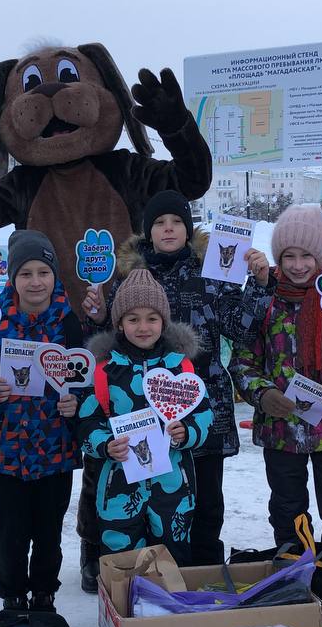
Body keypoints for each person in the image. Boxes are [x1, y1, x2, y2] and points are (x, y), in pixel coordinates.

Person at [82, 189, 271, 575]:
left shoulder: (215, 271)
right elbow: (114, 338)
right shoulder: (128, 278)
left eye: (176, 222)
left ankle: (201, 577)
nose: (168, 230)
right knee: (143, 499)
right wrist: (98, 315)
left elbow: (242, 328)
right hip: (141, 420)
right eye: (159, 223)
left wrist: (260, 284)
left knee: (205, 504)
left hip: (204, 411)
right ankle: (141, 577)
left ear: (188, 229)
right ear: (147, 232)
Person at [231, 205, 322, 557]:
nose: (298, 265)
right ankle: (295, 572)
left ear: (320, 256)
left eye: (306, 256)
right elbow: (242, 360)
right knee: (287, 512)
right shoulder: (265, 298)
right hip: (281, 431)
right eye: (289, 256)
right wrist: (263, 395)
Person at [0, 231, 83, 612]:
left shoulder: (69, 323)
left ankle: (45, 594)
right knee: (10, 532)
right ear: (12, 278)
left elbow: (88, 376)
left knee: (49, 532)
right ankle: (12, 598)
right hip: (5, 448)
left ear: (54, 276)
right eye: (26, 273)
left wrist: (75, 402)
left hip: (55, 448)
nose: (35, 281)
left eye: (43, 272)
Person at [75, 269, 213, 565]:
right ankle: (123, 609)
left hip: (172, 486)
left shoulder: (181, 367)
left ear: (163, 322)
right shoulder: (104, 370)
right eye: (133, 318)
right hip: (119, 487)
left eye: (151, 318)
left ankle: (169, 609)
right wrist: (105, 444)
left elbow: (204, 414)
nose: (143, 327)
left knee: (172, 557)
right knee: (121, 559)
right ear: (120, 324)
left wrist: (187, 432)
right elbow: (86, 423)